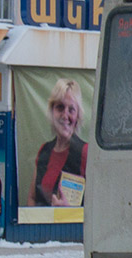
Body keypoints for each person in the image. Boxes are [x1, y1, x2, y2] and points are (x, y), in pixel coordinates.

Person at [29, 78, 88, 206]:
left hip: (74, 226)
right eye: (60, 107)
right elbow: (32, 198)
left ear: (78, 116)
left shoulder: (86, 152)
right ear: (52, 111)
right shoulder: (44, 151)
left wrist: (69, 213)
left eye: (71, 109)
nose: (65, 115)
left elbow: (99, 204)